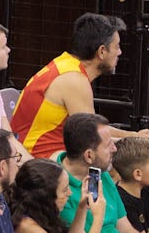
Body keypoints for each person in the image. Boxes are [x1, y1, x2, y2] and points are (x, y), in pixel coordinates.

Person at [11, 12, 132, 158]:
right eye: (117, 46)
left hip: (41, 157)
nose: (120, 52)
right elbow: (92, 134)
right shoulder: (74, 79)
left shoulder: (65, 64)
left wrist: (130, 136)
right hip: (39, 164)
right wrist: (133, 138)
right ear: (101, 51)